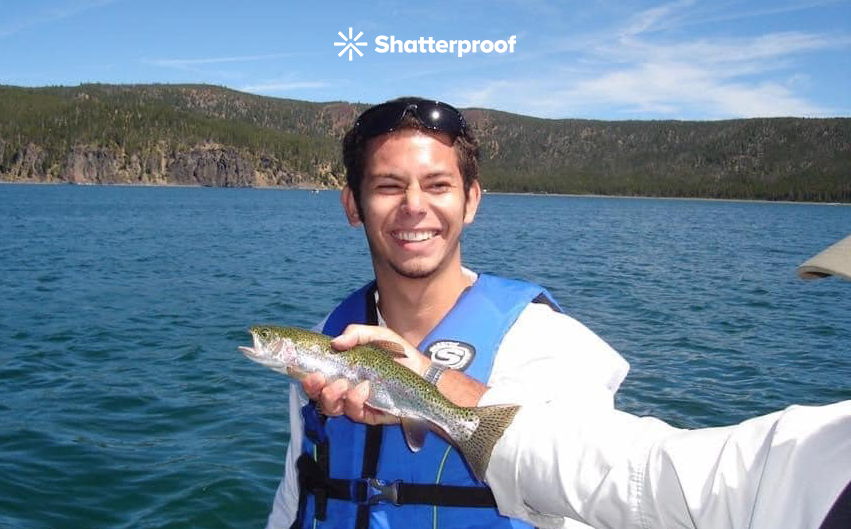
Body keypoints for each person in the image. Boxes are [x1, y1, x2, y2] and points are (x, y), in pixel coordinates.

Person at [265, 97, 629, 529]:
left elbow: (600, 499)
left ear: (471, 201)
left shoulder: (554, 349)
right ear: (352, 206)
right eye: (387, 186)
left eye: (437, 185)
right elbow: (295, 497)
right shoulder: (323, 345)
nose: (414, 205)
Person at [321, 234, 851, 529]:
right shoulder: (808, 457)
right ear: (352, 205)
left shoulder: (806, 462)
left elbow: (633, 483)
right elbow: (636, 476)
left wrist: (444, 396)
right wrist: (435, 378)